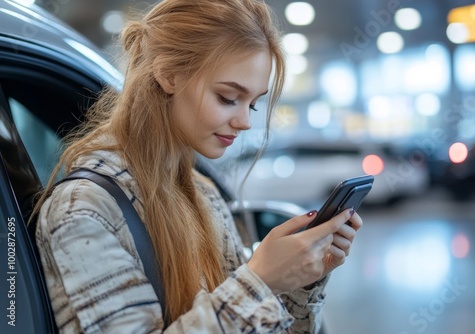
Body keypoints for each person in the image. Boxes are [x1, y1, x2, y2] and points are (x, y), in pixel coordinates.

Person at [33, 0, 363, 332]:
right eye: (228, 98)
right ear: (168, 75)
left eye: (254, 103)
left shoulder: (203, 193)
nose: (245, 121)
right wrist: (260, 282)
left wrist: (299, 281)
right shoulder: (84, 209)